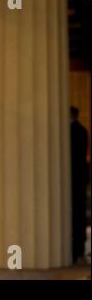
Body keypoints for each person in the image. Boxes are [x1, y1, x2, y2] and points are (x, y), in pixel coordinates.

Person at [70, 106, 89, 263]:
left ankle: (77, 250)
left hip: (74, 180)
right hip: (77, 180)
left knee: (76, 215)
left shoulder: (76, 131)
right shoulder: (81, 131)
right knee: (77, 215)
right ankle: (77, 249)